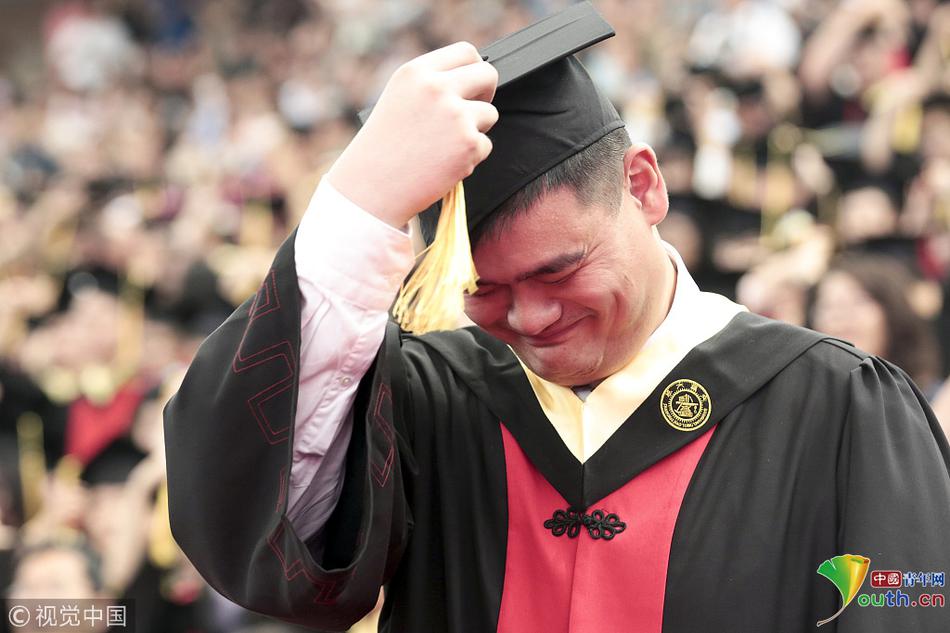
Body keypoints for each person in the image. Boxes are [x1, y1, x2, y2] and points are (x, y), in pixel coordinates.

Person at [164, 4, 950, 632]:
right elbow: (254, 520)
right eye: (485, 289)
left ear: (643, 187)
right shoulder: (430, 404)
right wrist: (358, 204)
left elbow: (914, 598)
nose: (530, 316)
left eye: (559, 269)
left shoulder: (837, 406)